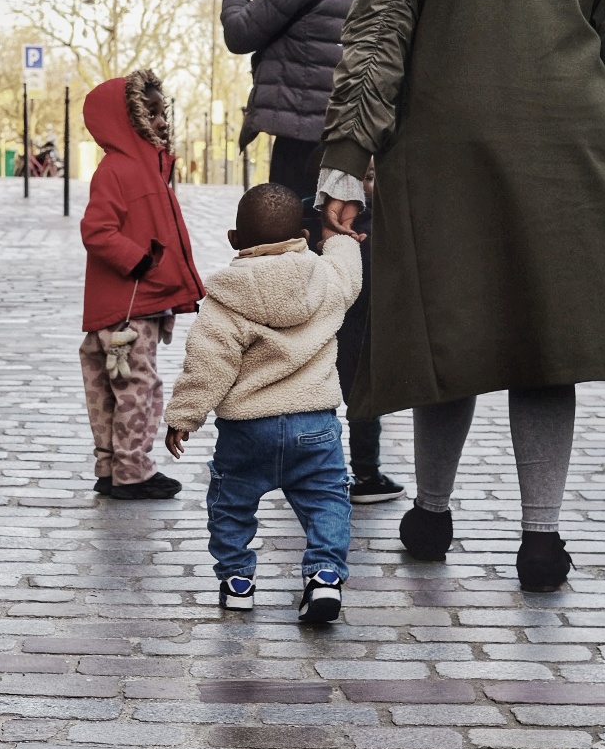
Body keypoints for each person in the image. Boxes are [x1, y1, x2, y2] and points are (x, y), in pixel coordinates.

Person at [319, 0, 605, 592]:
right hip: (571, 163)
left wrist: (342, 170)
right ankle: (540, 539)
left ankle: (431, 513)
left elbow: (371, 50)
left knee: (452, 341)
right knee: (546, 348)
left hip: (444, 165)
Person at [164, 182, 362, 624]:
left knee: (231, 502)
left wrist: (184, 416)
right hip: (316, 423)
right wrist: (341, 233)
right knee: (328, 500)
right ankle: (325, 575)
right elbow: (349, 271)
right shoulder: (326, 279)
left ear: (235, 240)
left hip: (248, 429)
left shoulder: (226, 298)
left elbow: (208, 363)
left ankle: (236, 580)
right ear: (305, 238)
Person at [80, 69, 205, 501]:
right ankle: (132, 470)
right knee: (137, 388)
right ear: (128, 120)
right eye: (150, 114)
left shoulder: (149, 170)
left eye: (162, 112)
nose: (162, 121)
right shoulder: (119, 170)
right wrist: (141, 261)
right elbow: (97, 230)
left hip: (125, 305)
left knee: (109, 388)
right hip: (128, 306)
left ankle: (110, 467)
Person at [221, 0, 368, 227]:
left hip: (299, 133)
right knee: (340, 225)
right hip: (349, 132)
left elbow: (239, 34)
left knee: (292, 223)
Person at [335, 160, 405, 504]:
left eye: (376, 176)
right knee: (363, 401)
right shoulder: (374, 229)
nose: (370, 185)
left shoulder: (323, 221)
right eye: (365, 177)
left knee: (357, 402)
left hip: (350, 329)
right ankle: (364, 474)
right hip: (356, 331)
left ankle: (342, 472)